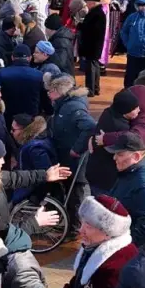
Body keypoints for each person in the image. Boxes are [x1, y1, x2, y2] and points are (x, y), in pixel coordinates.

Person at [46, 73, 96, 232]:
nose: (47, 93)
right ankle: (69, 222)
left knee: (75, 194)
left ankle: (73, 228)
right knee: (70, 191)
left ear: (58, 90)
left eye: (50, 90)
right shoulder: (65, 103)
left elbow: (89, 126)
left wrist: (76, 149)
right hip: (67, 157)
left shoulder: (72, 107)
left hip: (74, 161)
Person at [107, 132, 145, 245]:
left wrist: (127, 243)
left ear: (136, 156)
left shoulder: (144, 185)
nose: (114, 157)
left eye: (120, 154)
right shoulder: (130, 171)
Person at [86, 89, 140, 194]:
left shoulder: (108, 112)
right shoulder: (120, 126)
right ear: (125, 110)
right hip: (107, 176)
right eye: (135, 108)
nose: (139, 110)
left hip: (94, 170)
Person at [0, 44, 47, 124]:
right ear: (30, 58)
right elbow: (44, 98)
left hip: (8, 116)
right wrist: (48, 111)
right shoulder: (39, 75)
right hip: (31, 116)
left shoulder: (2, 73)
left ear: (12, 57)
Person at [76, 0, 106, 96]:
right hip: (95, 45)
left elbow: (91, 30)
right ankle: (95, 88)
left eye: (88, 3)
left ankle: (90, 90)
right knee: (95, 65)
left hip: (92, 45)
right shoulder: (98, 13)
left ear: (93, 3)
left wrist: (80, 26)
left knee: (91, 68)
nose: (87, 5)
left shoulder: (95, 14)